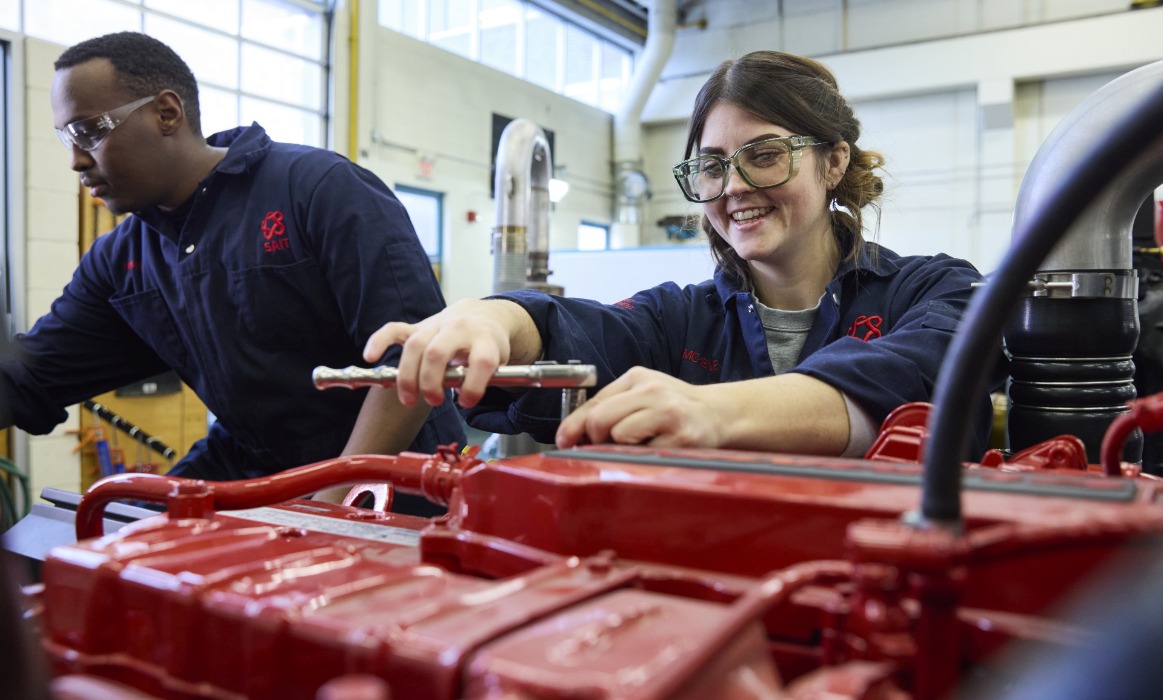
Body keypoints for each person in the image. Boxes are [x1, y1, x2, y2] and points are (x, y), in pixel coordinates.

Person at [365, 51, 1004, 459]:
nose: (733, 188)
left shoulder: (931, 290)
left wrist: (712, 411)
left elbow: (926, 379)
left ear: (833, 160)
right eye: (711, 166)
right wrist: (492, 320)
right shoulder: (682, 321)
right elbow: (581, 332)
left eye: (765, 155)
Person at [0, 31, 465, 482]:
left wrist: (338, 497)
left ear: (166, 113)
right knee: (126, 531)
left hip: (392, 475)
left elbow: (413, 357)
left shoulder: (318, 190)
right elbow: (33, 374)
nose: (77, 160)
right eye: (67, 137)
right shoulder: (121, 262)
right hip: (254, 465)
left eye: (89, 131)